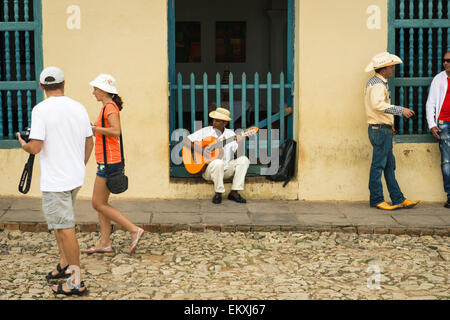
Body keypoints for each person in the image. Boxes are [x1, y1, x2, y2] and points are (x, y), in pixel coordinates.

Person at [17, 66, 93, 296]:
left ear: (42, 86)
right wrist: (80, 164)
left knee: (65, 228)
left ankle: (76, 282)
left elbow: (36, 146)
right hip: (74, 177)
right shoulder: (78, 107)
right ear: (64, 83)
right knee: (61, 225)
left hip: (55, 181)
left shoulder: (40, 110)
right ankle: (63, 264)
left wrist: (24, 144)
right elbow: (90, 141)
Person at [83, 74, 144, 255]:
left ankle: (134, 230)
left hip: (109, 162)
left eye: (95, 89)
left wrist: (93, 129)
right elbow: (106, 133)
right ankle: (105, 243)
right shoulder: (106, 107)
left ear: (103, 90)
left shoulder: (110, 107)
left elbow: (115, 131)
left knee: (97, 203)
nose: (93, 92)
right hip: (107, 160)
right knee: (102, 203)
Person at [364, 52, 420, 211]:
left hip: (382, 128)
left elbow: (377, 108)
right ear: (383, 69)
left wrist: (389, 124)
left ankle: (398, 198)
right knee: (379, 165)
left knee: (389, 166)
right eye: (391, 66)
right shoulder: (378, 84)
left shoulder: (377, 82)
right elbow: (377, 105)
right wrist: (400, 110)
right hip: (380, 130)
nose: (393, 69)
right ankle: (377, 199)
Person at [182, 108, 250, 204]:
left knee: (244, 160)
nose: (214, 122)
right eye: (213, 120)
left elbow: (238, 155)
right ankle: (218, 193)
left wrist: (239, 142)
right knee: (218, 162)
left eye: (217, 121)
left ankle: (234, 192)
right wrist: (202, 150)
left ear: (225, 123)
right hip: (209, 171)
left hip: (226, 170)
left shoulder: (231, 134)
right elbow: (185, 141)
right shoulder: (205, 131)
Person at [426, 51, 450, 208]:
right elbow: (431, 103)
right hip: (444, 123)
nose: (445, 63)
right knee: (447, 161)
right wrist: (432, 124)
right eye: (444, 61)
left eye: (448, 60)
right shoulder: (439, 78)